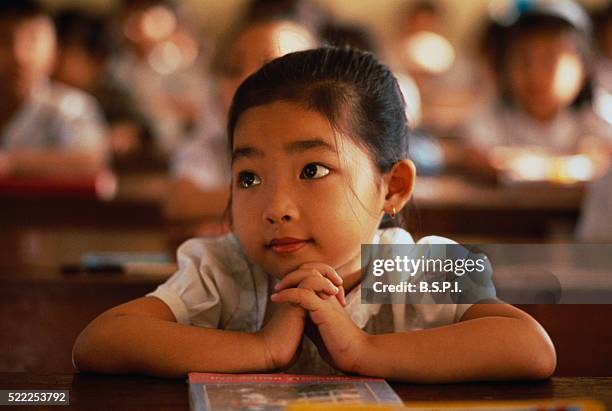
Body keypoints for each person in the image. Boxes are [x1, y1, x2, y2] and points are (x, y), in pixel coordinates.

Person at [73, 47, 556, 382]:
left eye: (313, 169)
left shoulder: (425, 266)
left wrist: (364, 350)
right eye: (249, 178)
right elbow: (100, 341)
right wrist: (262, 348)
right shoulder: (224, 268)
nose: (276, 208)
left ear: (394, 187)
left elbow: (530, 347)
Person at [163, 15, 318, 224]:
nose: (246, 80)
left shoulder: (332, 147)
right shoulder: (210, 149)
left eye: (270, 69)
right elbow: (181, 202)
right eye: (233, 70)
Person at [463, 0, 612, 157]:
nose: (535, 75)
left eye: (549, 62)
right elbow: (475, 152)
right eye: (524, 61)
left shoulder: (598, 117)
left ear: (583, 69)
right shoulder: (491, 117)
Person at [0, 0, 108, 178]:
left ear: (54, 48)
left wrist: (10, 162)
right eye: (4, 40)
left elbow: (92, 160)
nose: (19, 54)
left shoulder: (71, 106)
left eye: (33, 39)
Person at [53, 10, 156, 167]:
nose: (53, 60)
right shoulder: (40, 95)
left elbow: (140, 134)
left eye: (64, 51)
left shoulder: (113, 97)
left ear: (96, 60)